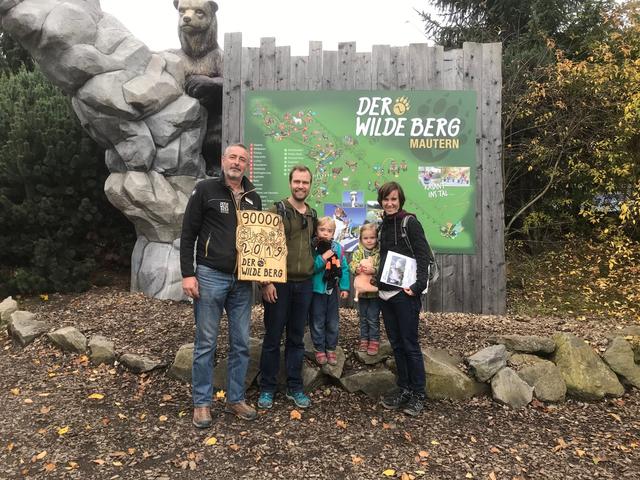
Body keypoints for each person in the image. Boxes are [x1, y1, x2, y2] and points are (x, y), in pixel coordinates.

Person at [180, 143, 262, 428]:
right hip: (210, 275)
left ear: (246, 165)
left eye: (242, 159)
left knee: (241, 344)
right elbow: (188, 232)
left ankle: (235, 398)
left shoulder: (254, 198)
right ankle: (202, 403)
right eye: (233, 157)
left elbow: (258, 243)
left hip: (242, 282)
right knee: (206, 343)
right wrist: (188, 274)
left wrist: (262, 273)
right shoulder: (205, 190)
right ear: (223, 160)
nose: (237, 163)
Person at [257, 165, 316, 410]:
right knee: (272, 337)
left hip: (304, 285)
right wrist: (265, 282)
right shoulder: (276, 211)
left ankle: (295, 387)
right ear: (290, 182)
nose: (301, 186)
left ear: (310, 185)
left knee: (296, 339)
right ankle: (267, 388)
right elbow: (259, 246)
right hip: (278, 285)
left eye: (305, 182)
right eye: (297, 181)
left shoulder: (312, 214)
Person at [376, 181, 430, 416]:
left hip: (405, 295)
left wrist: (417, 287)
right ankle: (404, 388)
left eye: (393, 199)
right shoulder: (383, 225)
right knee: (396, 345)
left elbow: (423, 256)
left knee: (410, 345)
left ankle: (418, 394)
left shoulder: (411, 222)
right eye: (386, 199)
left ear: (400, 201)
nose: (389, 203)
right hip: (385, 294)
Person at [309, 217, 350, 366]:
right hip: (316, 290)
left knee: (332, 321)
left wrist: (345, 287)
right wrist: (322, 258)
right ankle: (319, 348)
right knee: (317, 321)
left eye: (329, 231)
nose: (325, 233)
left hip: (331, 289)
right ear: (316, 231)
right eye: (322, 230)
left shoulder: (337, 248)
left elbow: (343, 268)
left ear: (333, 233)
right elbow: (310, 268)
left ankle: (331, 348)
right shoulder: (313, 248)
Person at [349, 223, 381, 355]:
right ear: (361, 239)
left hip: (374, 294)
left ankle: (374, 340)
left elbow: (382, 268)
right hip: (362, 293)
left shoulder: (379, 254)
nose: (369, 241)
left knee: (373, 318)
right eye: (366, 238)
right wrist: (356, 269)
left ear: (376, 238)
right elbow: (352, 265)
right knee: (363, 317)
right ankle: (364, 339)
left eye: (372, 237)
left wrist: (374, 270)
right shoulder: (357, 253)